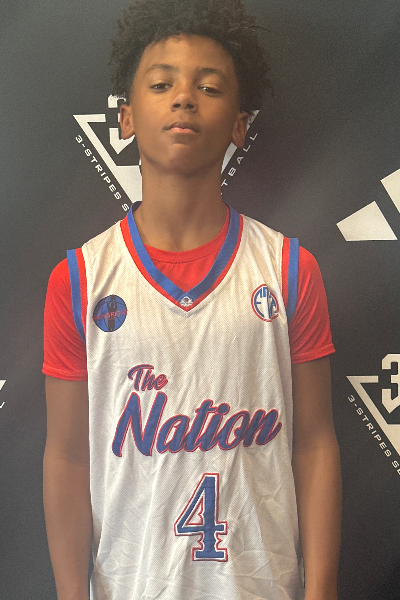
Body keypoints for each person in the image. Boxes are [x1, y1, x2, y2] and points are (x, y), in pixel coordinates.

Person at [43, 0, 341, 599]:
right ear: (126, 117)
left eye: (209, 87)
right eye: (162, 84)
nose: (184, 98)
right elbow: (69, 458)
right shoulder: (79, 279)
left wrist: (322, 590)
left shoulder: (288, 270)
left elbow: (313, 443)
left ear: (239, 125)